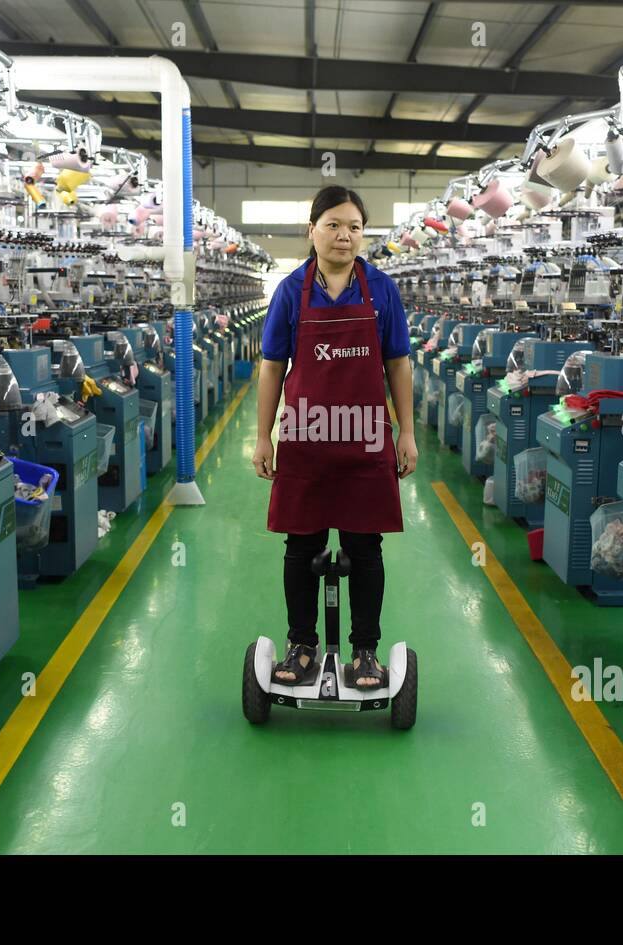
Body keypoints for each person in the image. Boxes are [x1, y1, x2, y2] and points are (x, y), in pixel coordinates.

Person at [252, 185, 418, 689]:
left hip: (367, 437)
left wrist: (406, 431)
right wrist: (264, 437)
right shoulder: (290, 291)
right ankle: (301, 645)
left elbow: (398, 364)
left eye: (354, 227)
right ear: (312, 231)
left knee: (366, 548)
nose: (344, 236)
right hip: (305, 438)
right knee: (300, 547)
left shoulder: (381, 289)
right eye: (333, 225)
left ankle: (364, 652)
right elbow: (272, 367)